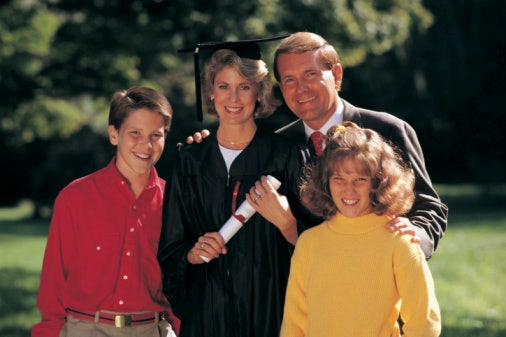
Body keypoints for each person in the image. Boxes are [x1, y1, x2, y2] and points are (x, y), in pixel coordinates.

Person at [189, 32, 447, 259]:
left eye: (310, 74)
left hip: (380, 281)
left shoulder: (387, 130)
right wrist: (208, 145)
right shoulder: (279, 145)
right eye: (289, 80)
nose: (300, 88)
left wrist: (414, 235)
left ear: (336, 75)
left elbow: (429, 207)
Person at [157, 42, 313, 337]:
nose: (233, 98)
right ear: (211, 92)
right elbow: (170, 248)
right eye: (224, 86)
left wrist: (286, 221)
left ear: (259, 92)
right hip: (206, 316)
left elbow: (318, 243)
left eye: (244, 86)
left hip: (272, 312)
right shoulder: (190, 160)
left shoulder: (286, 156)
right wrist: (191, 255)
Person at [32, 86, 179, 337]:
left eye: (156, 135)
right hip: (85, 329)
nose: (146, 144)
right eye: (135, 133)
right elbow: (53, 283)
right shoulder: (75, 197)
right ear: (114, 134)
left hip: (154, 329)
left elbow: (181, 283)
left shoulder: (175, 203)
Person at [279, 122, 441, 337]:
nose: (349, 189)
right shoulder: (309, 242)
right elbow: (294, 323)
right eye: (339, 179)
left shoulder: (398, 241)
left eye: (360, 179)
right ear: (325, 182)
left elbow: (424, 324)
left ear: (379, 182)